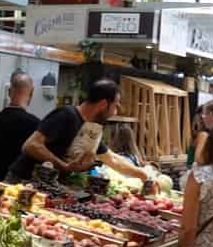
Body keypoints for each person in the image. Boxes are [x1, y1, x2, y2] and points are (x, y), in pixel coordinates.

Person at [8, 79, 155, 184]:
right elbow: (31, 145)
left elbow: (111, 159)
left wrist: (142, 174)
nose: (115, 111)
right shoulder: (65, 115)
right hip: (21, 182)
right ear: (103, 104)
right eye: (115, 105)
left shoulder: (91, 128)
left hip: (44, 185)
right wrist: (63, 166)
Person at [190, 99, 213, 168]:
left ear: (211, 114)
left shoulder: (206, 135)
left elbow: (198, 160)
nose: (202, 118)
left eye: (204, 114)